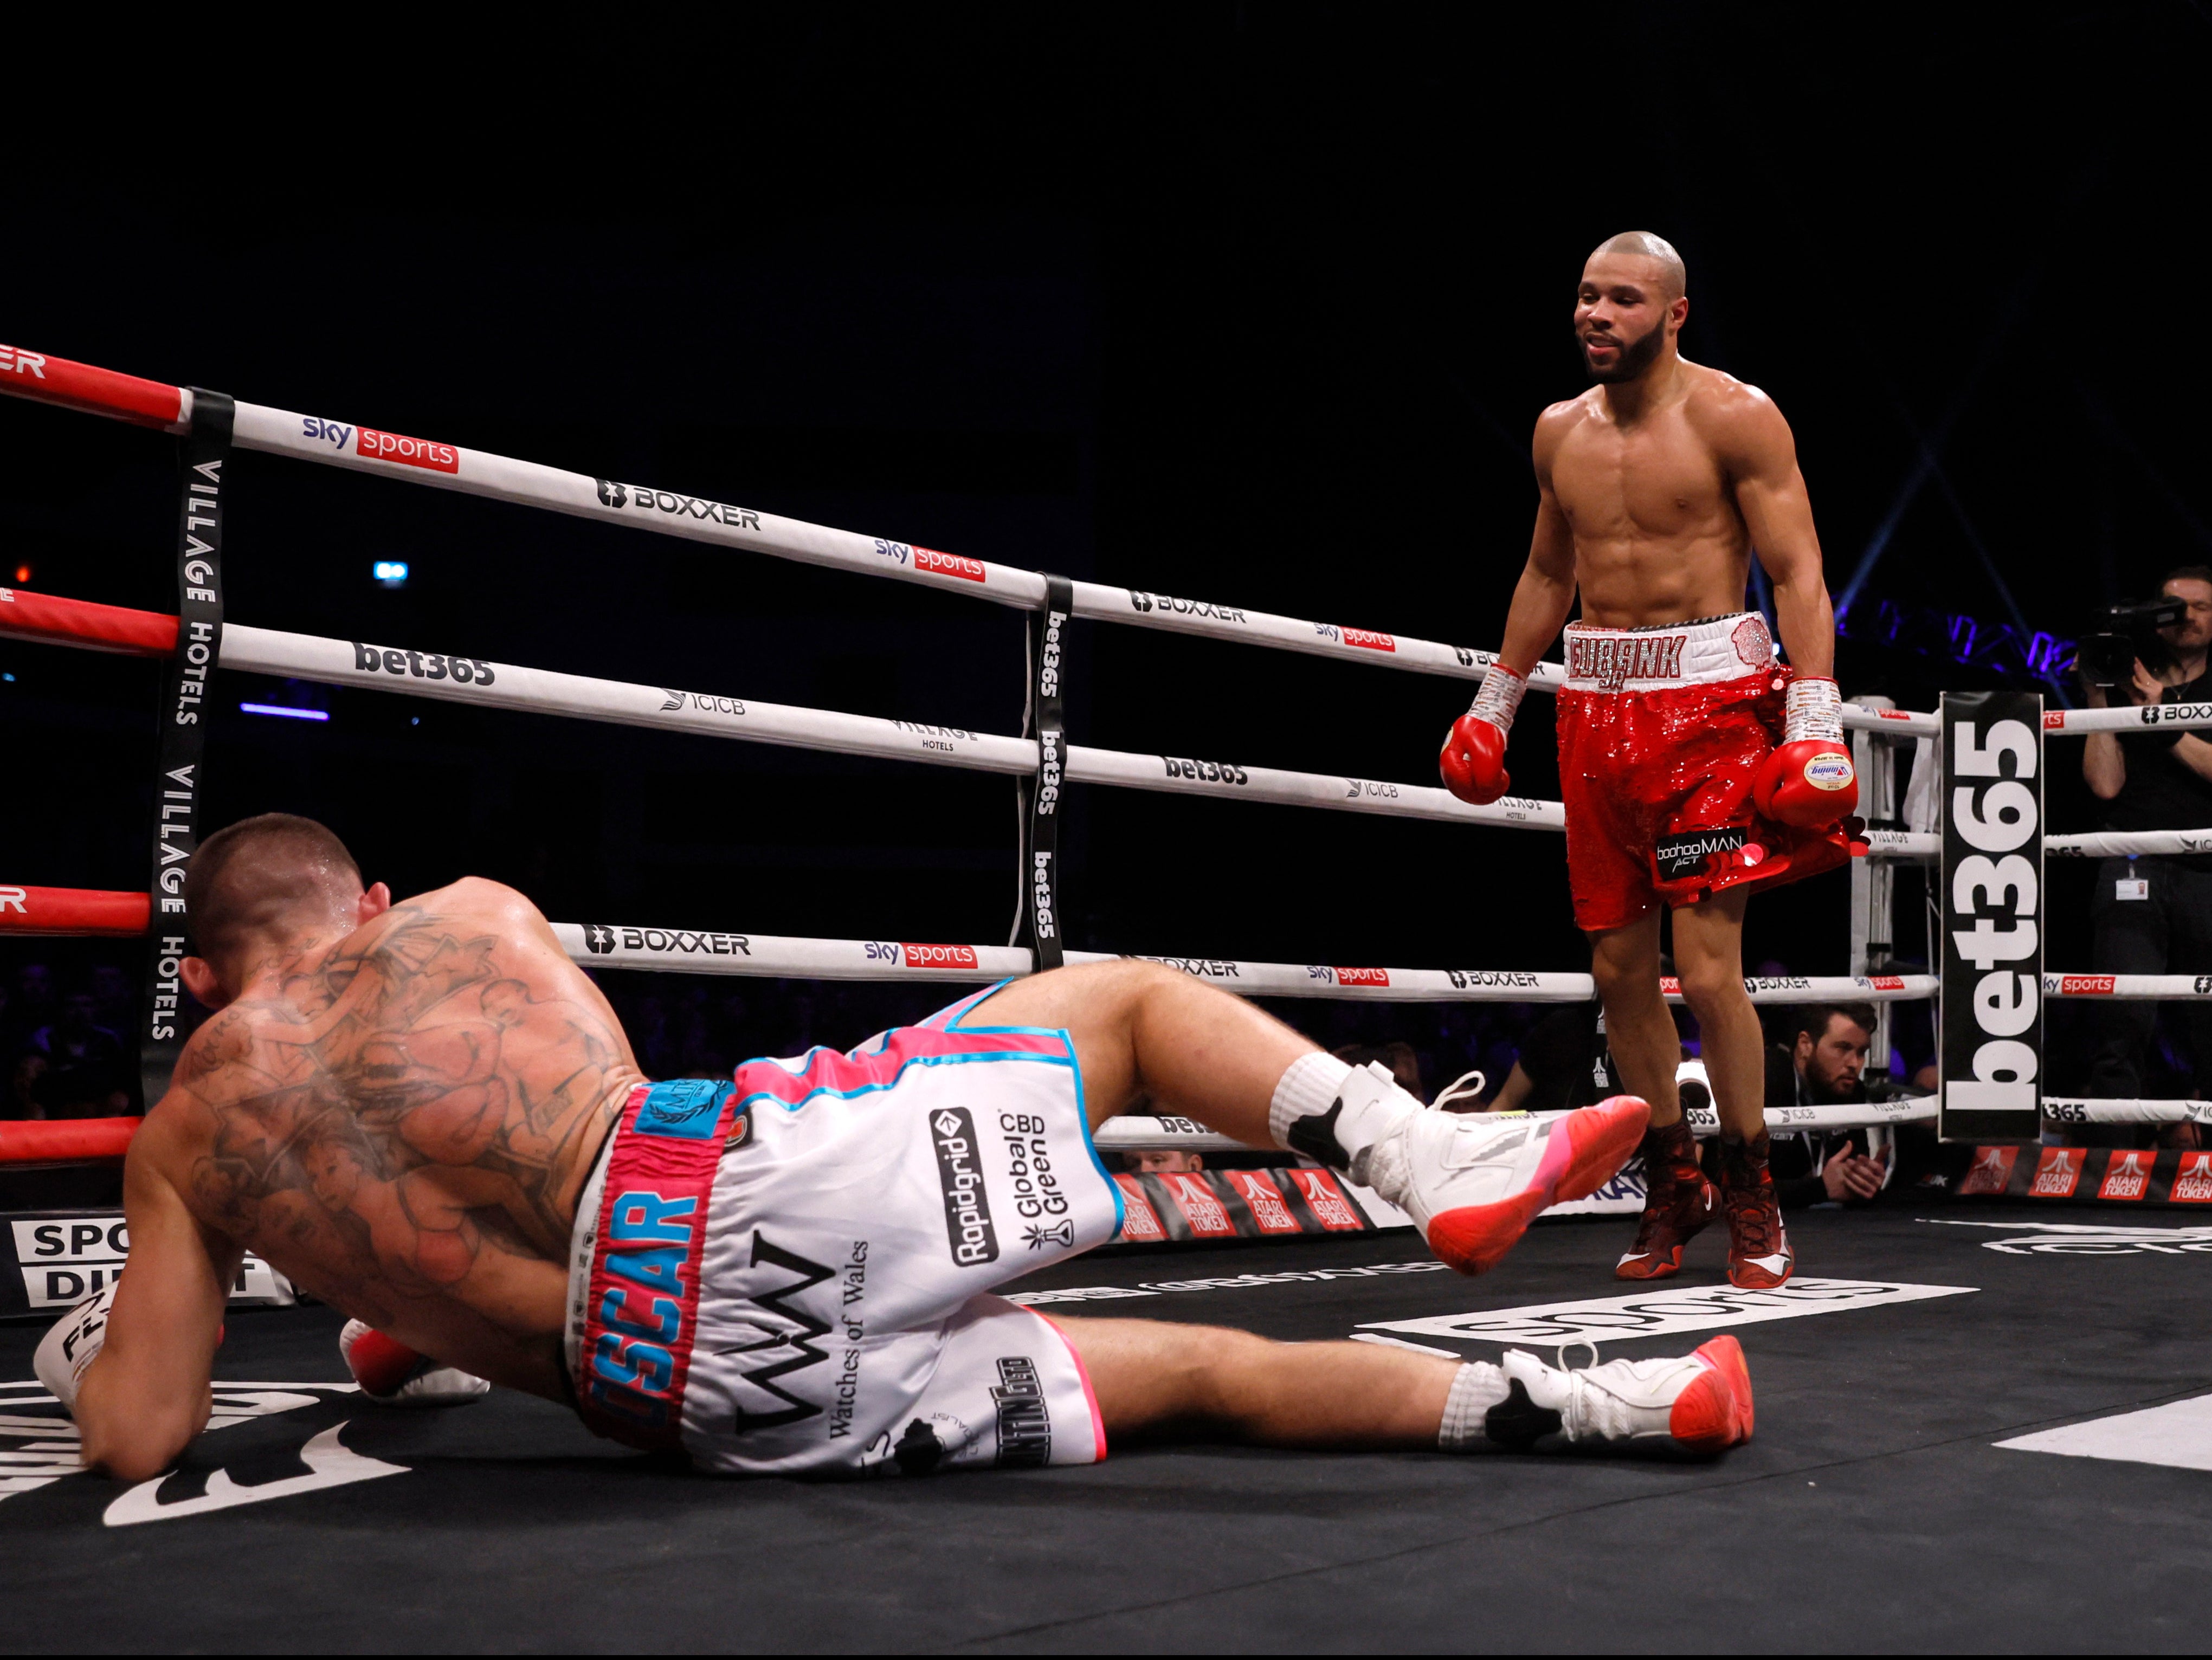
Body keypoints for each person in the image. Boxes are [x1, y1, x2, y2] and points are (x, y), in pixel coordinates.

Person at [39, 813, 1750, 1485]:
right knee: (1131, 1006)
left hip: (699, 1405)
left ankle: (1606, 1400)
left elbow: (141, 1434)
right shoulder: (472, 917)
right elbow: (597, 1158)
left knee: (1197, 1374)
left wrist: (87, 1349)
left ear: (197, 973)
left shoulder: (190, 1135)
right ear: (370, 905)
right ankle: (1421, 1162)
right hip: (728, 1196)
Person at [1438, 231, 1857, 1290]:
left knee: (1708, 970)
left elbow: (1797, 568)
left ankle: (1750, 1184)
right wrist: (1496, 701)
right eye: (1585, 296)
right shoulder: (1555, 432)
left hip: (1711, 710)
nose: (1595, 315)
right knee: (1618, 971)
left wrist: (1814, 718)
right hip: (1595, 712)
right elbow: (1547, 570)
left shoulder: (1734, 415)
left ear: (1672, 313)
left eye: (1621, 300)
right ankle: (1676, 1179)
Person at [2080, 565, 2212, 1145]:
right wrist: (2097, 698)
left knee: (2207, 1018)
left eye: (2200, 607)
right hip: (2131, 861)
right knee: (2121, 1014)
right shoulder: (2127, 677)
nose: (2185, 617)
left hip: (2206, 869)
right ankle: (2113, 1151)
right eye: (2172, 606)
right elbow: (2104, 786)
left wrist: (2162, 716)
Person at [1762, 1004, 1889, 1209]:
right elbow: (1732, 1191)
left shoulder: (1851, 1091)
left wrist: (1863, 1179)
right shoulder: (1766, 1083)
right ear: (1805, 1045)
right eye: (1843, 1048)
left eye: (1861, 1052)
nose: (1854, 1064)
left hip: (1829, 1230)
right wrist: (1818, 1189)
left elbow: (1847, 1178)